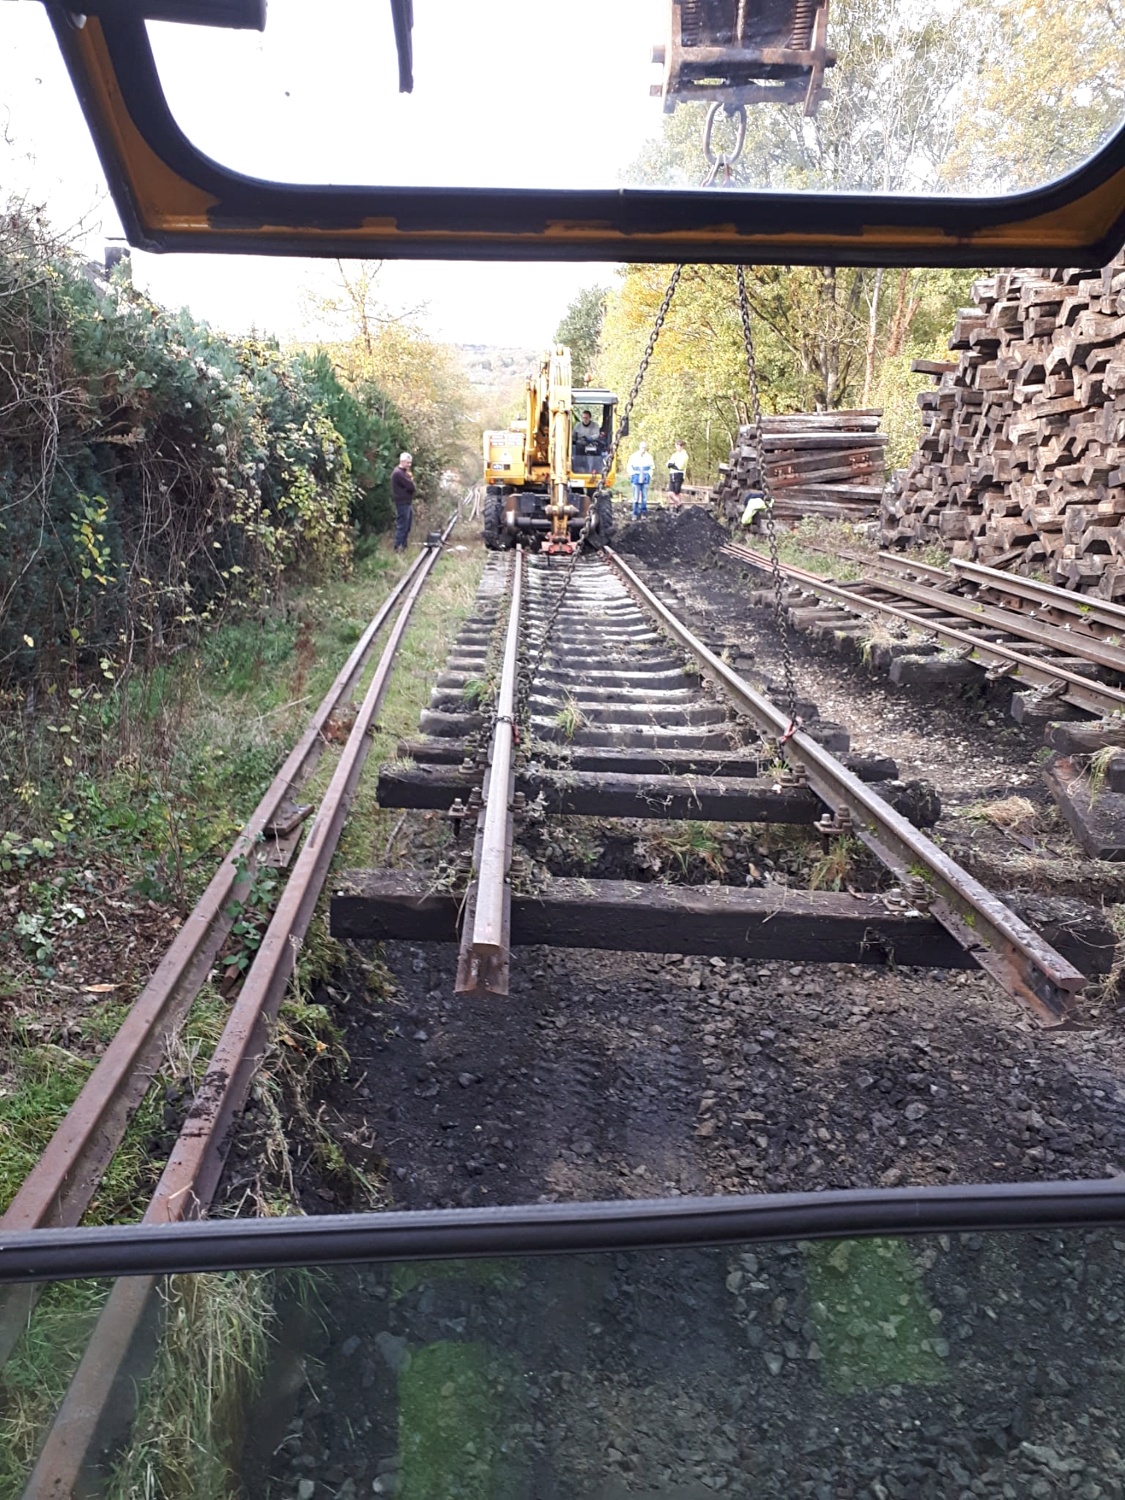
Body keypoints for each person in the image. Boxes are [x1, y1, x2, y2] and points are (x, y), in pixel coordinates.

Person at [391, 451, 415, 552]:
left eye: (410, 463)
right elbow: (411, 486)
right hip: (402, 503)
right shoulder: (398, 473)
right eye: (407, 463)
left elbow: (410, 486)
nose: (409, 465)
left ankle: (403, 546)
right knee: (402, 526)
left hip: (407, 503)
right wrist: (410, 484)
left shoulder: (404, 473)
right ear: (402, 461)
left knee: (407, 526)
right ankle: (398, 547)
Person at [627, 441, 654, 519]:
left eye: (645, 447)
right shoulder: (634, 456)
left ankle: (643, 513)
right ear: (639, 447)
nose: (643, 449)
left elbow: (652, 467)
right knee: (635, 497)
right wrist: (632, 474)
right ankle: (635, 513)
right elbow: (629, 466)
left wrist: (649, 475)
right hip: (636, 478)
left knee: (644, 497)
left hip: (645, 478)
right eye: (642, 447)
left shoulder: (649, 457)